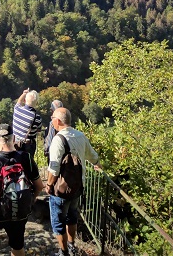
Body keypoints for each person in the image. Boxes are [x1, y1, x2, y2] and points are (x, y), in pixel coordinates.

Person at [0, 124, 44, 256]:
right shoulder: (26, 158)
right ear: (14, 138)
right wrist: (31, 200)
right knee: (17, 246)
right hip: (20, 211)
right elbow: (39, 186)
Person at [46, 107, 102, 256]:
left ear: (58, 121)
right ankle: (71, 246)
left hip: (61, 190)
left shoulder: (58, 140)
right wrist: (98, 164)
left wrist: (49, 185)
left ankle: (63, 252)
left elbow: (54, 169)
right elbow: (93, 156)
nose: (51, 122)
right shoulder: (80, 135)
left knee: (58, 222)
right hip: (78, 186)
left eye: (52, 119)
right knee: (72, 217)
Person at [12, 88, 42, 158]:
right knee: (28, 165)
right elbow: (39, 130)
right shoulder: (37, 118)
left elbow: (19, 101)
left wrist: (24, 93)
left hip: (15, 143)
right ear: (36, 103)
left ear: (25, 100)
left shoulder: (17, 109)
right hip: (28, 145)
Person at [43, 99, 63, 164]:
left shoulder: (53, 123)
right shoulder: (66, 121)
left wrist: (46, 150)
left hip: (54, 153)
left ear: (53, 110)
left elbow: (49, 139)